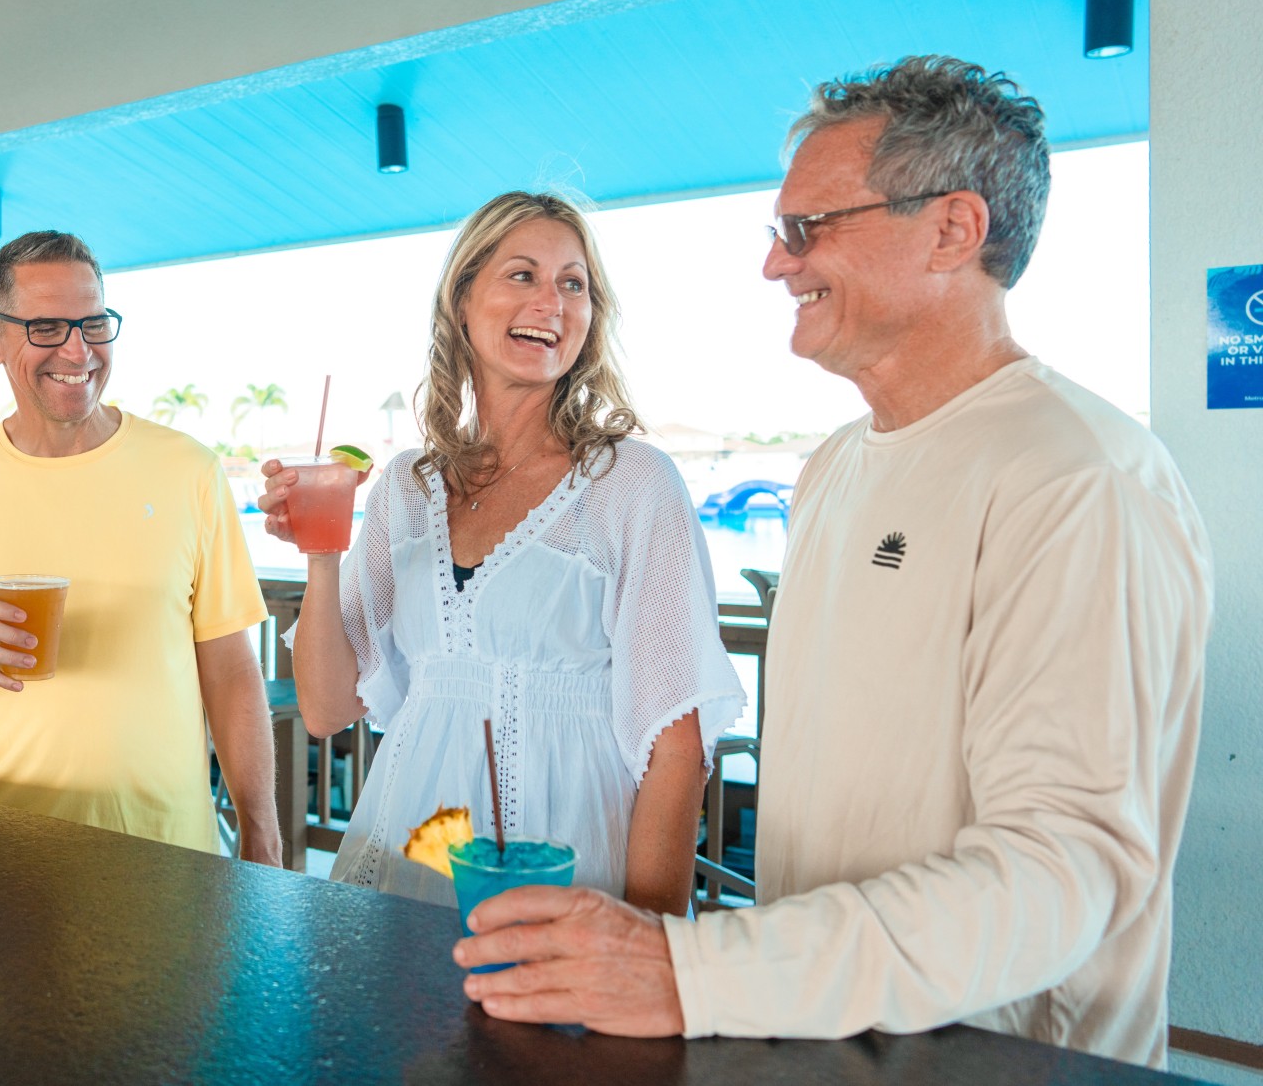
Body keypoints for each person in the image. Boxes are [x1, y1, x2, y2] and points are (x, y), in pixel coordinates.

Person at [454, 57, 1211, 1070]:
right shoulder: (833, 471)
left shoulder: (1077, 475)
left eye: (808, 229)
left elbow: (1062, 868)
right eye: (778, 231)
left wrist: (693, 971)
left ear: (952, 229)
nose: (777, 264)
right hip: (822, 1038)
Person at [260, 191, 745, 913]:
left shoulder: (632, 484)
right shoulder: (406, 486)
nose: (551, 301)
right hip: (410, 848)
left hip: (570, 860)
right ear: (462, 301)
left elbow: (676, 747)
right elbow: (329, 707)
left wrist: (652, 942)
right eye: (522, 274)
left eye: (573, 283)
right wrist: (321, 553)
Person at [0, 231, 280, 864]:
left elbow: (230, 671)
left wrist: (261, 831)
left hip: (167, 857)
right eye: (46, 327)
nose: (78, 349)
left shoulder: (188, 471)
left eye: (93, 323)